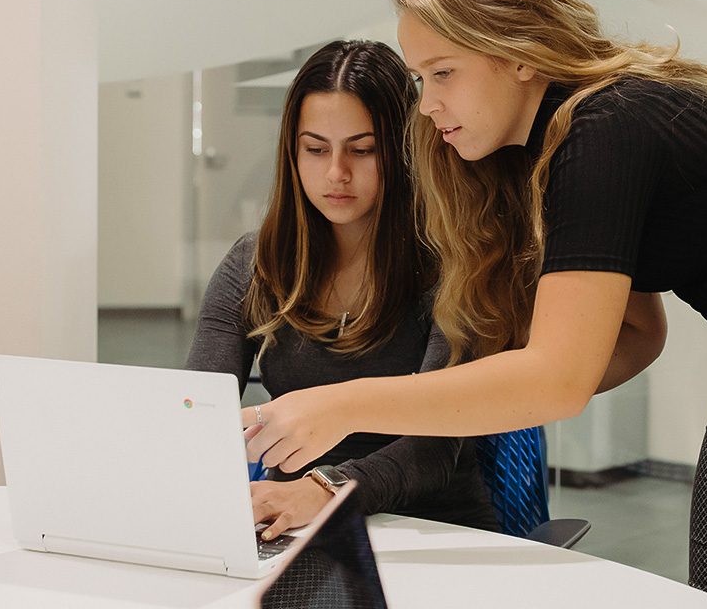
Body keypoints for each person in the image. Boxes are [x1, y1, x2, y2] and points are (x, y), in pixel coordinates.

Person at [243, 0, 707, 609]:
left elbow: (560, 379)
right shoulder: (557, 144)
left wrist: (345, 404)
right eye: (422, 79)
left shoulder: (607, 131)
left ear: (518, 56)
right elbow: (638, 335)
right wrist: (475, 404)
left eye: (443, 73)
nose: (426, 105)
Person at [187, 39, 497, 542]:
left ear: (403, 150)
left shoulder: (452, 263)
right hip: (295, 530)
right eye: (315, 149)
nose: (336, 173)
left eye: (362, 149)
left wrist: (324, 488)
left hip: (432, 533)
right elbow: (197, 411)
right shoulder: (254, 264)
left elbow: (434, 447)